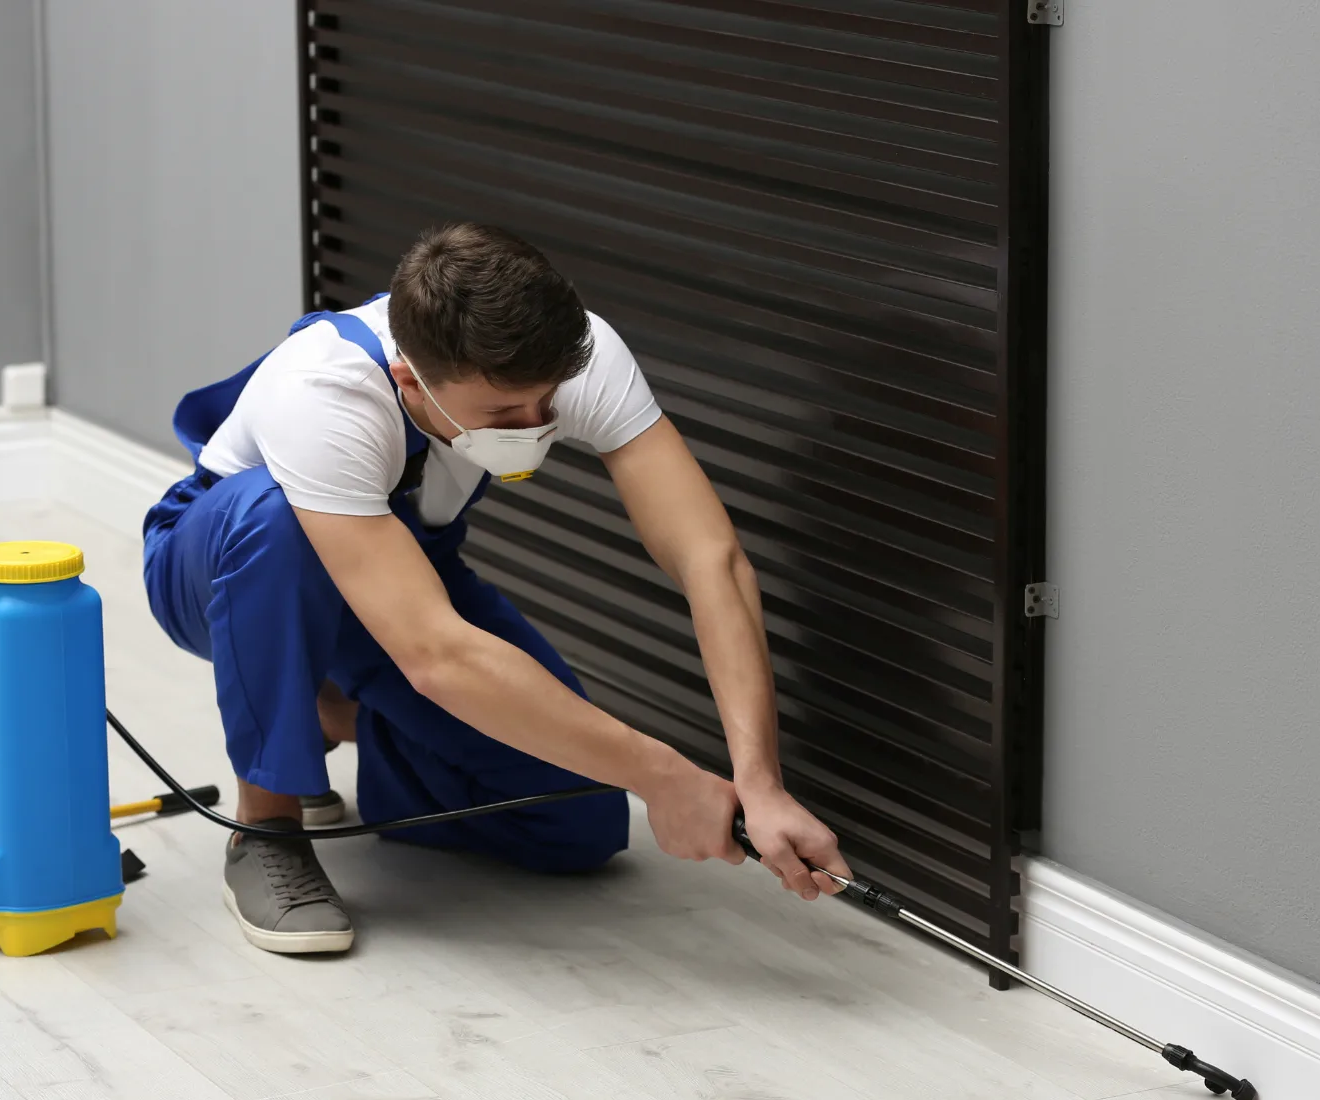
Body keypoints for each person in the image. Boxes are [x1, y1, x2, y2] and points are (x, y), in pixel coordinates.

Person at [142, 222, 850, 954]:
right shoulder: (324, 394)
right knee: (277, 518)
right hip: (222, 571)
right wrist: (665, 775)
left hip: (400, 574)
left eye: (545, 403)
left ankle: (330, 715)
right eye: (504, 415)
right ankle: (267, 825)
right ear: (411, 380)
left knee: (577, 822)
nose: (536, 427)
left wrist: (758, 779)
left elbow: (711, 559)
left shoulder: (577, 353)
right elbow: (437, 655)